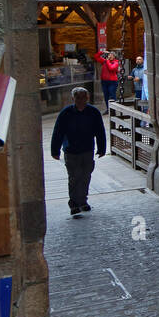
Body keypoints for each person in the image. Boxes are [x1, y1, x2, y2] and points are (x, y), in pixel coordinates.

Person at [50, 86, 106, 218]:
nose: (81, 100)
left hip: (87, 149)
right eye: (78, 97)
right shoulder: (66, 113)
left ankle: (83, 200)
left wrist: (102, 148)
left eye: (83, 97)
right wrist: (55, 150)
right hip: (71, 150)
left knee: (85, 176)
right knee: (74, 177)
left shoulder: (93, 112)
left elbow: (100, 131)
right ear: (73, 98)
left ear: (87, 98)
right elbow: (58, 131)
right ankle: (74, 203)